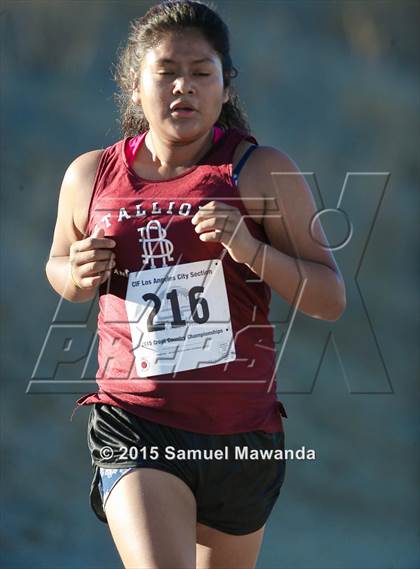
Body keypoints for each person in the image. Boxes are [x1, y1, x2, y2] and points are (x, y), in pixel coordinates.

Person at [45, 1, 346, 567]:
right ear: (136, 86)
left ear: (225, 87)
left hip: (242, 436)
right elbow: (59, 265)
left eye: (201, 72)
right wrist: (77, 273)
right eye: (165, 71)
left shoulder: (259, 171)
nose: (183, 86)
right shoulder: (90, 175)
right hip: (135, 424)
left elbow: (330, 299)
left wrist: (252, 250)